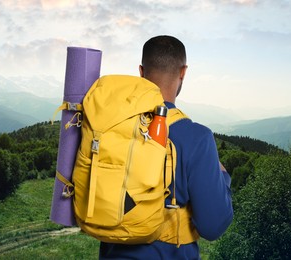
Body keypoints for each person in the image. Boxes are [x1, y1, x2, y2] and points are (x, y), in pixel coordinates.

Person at [99, 35, 233, 259]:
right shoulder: (197, 138)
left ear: (141, 72)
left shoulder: (111, 127)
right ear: (183, 72)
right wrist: (223, 176)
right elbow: (214, 226)